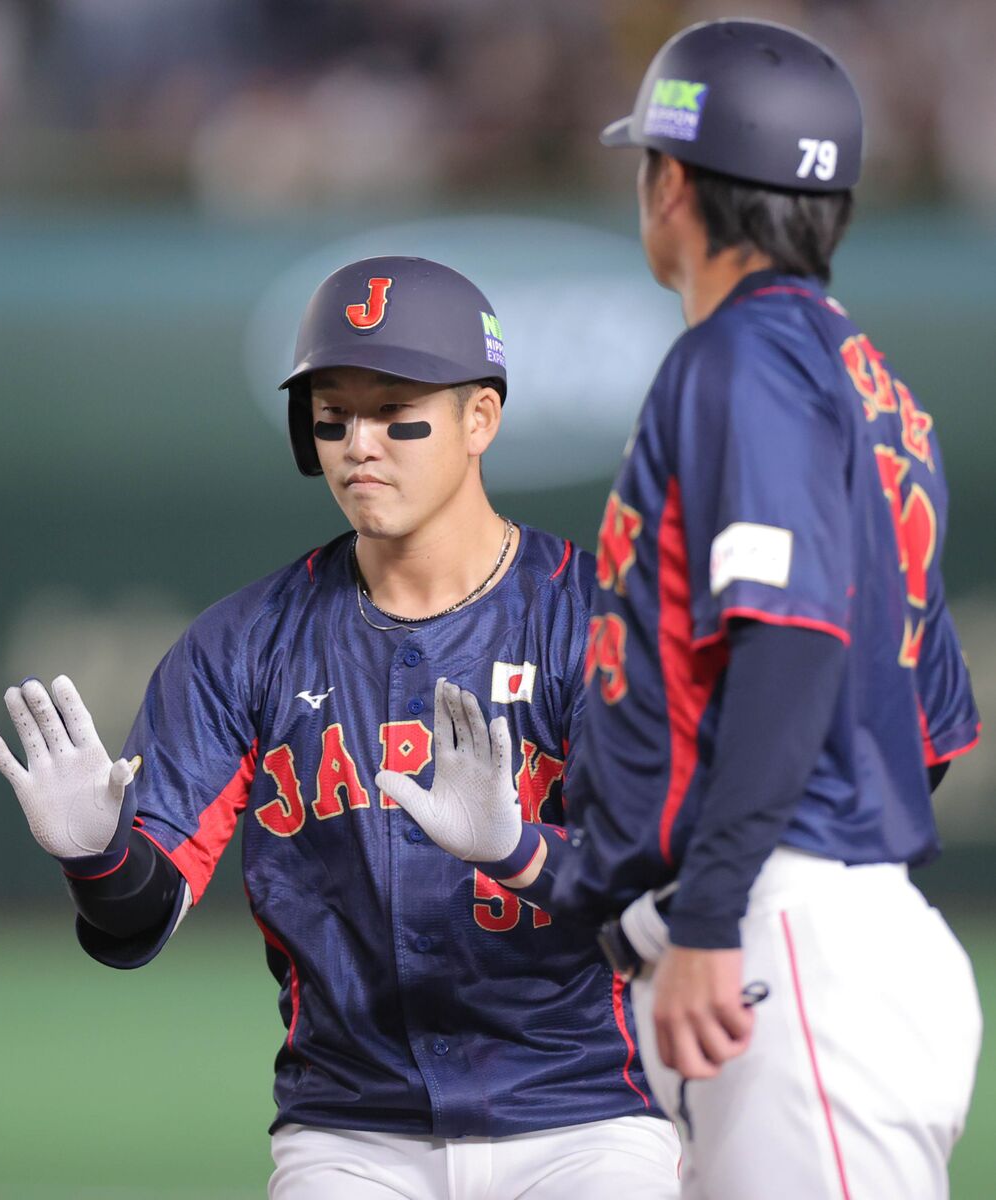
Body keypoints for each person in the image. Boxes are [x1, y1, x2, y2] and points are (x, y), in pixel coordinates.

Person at [383, 21, 983, 1200]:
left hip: (787, 949)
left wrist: (713, 914)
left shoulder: (743, 360)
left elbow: (792, 645)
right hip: (809, 937)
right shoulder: (871, 389)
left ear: (672, 183)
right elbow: (927, 732)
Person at [0, 256, 680, 1199]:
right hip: (351, 1133)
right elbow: (142, 918)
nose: (360, 445)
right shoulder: (241, 646)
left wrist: (519, 851)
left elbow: (654, 897)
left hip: (587, 1116)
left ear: (481, 418)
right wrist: (97, 858)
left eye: (397, 412)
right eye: (333, 415)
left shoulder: (593, 622)